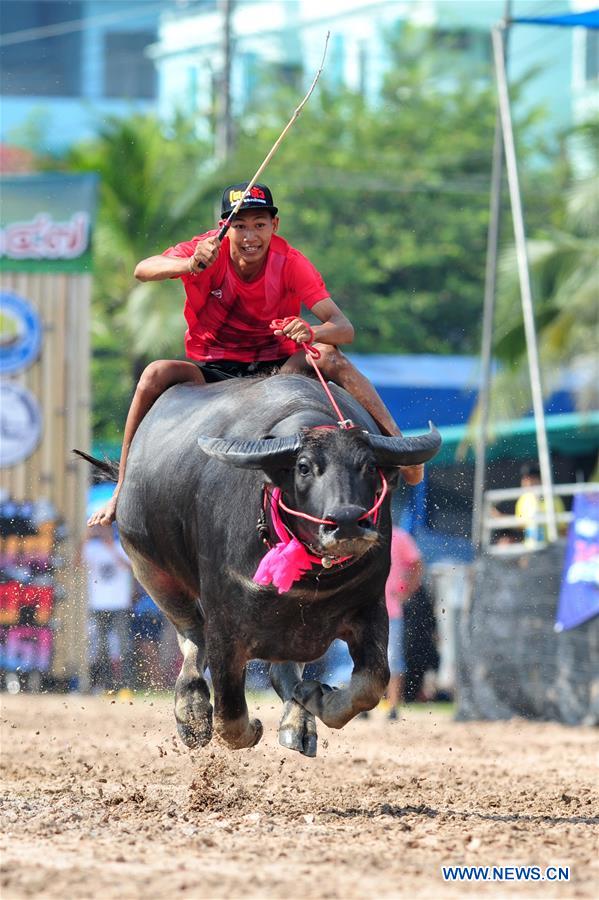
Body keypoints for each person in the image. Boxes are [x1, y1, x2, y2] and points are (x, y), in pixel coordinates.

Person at [89, 181, 423, 526]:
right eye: (240, 226)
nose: (250, 236)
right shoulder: (205, 251)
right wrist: (189, 264)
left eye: (259, 225)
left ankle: (402, 450)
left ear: (274, 226)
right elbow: (142, 269)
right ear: (225, 228)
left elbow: (343, 327)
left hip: (278, 371)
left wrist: (311, 331)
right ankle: (122, 489)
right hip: (212, 368)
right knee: (154, 373)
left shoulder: (290, 262)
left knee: (327, 353)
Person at [81, 524, 132, 691]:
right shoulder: (92, 548)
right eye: (99, 529)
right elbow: (76, 563)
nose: (102, 532)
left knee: (124, 646)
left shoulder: (121, 547)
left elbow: (130, 568)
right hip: (98, 605)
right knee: (101, 648)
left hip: (120, 604)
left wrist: (111, 547)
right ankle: (107, 686)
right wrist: (86, 537)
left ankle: (126, 686)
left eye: (105, 529)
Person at [385, 524, 423, 719]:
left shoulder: (399, 536)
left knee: (393, 659)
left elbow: (417, 563)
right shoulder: (366, 535)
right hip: (366, 608)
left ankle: (393, 707)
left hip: (391, 610)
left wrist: (407, 591)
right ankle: (365, 704)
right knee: (365, 658)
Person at [515, 463, 565, 547]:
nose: (528, 482)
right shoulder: (522, 499)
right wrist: (500, 518)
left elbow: (563, 528)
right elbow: (520, 526)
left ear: (540, 480)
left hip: (551, 547)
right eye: (525, 479)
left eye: (532, 478)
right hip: (530, 547)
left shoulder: (554, 499)